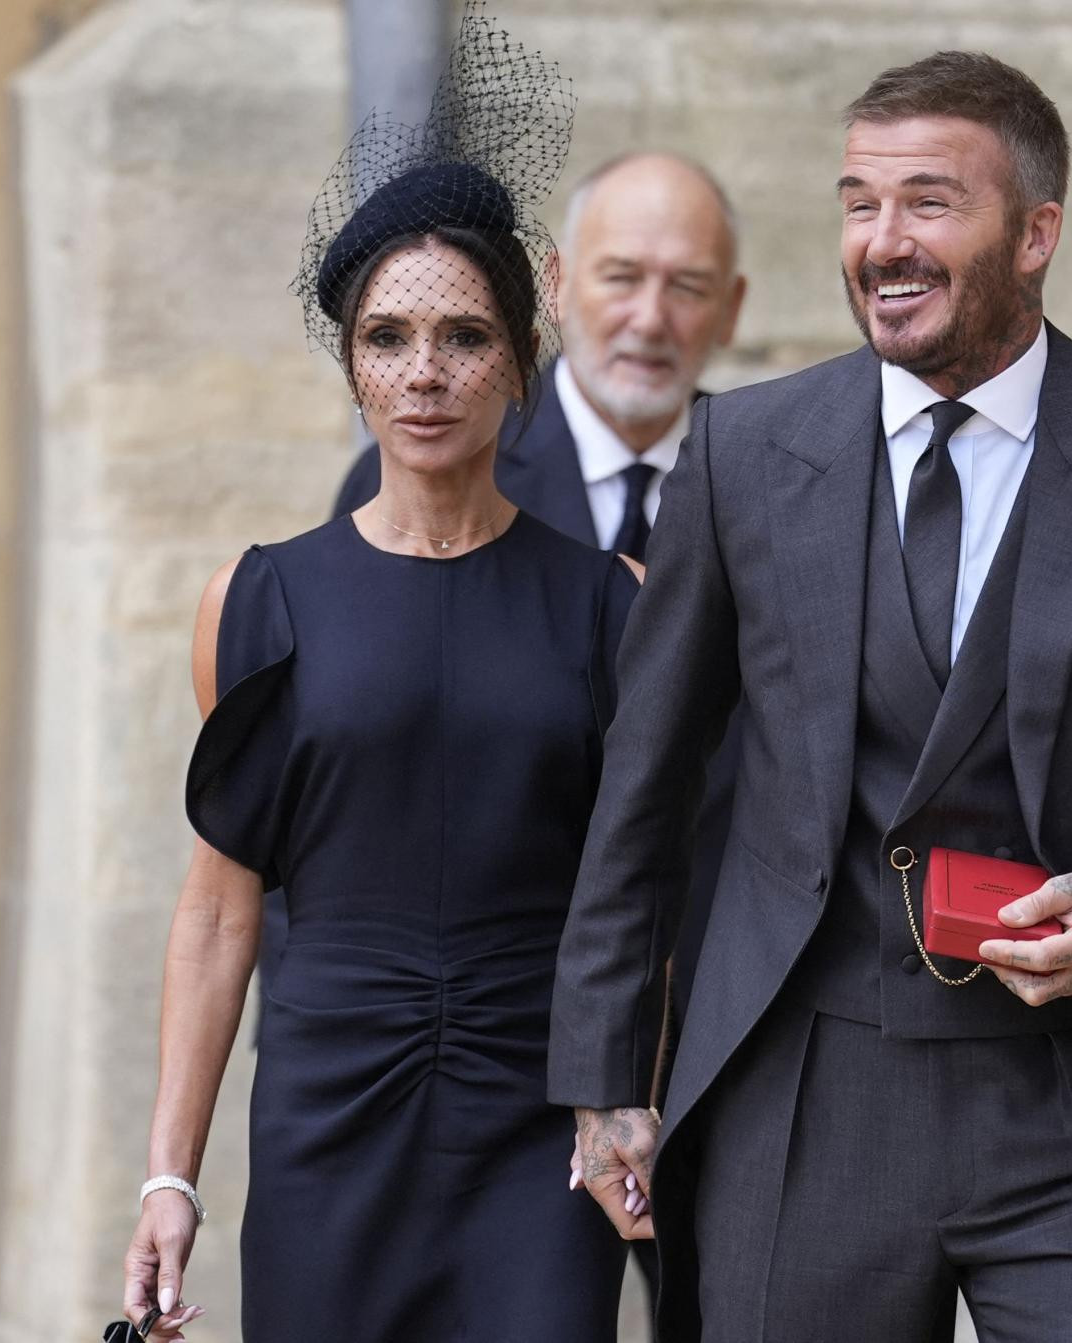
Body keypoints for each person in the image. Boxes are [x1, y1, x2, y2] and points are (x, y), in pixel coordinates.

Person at [550, 50, 1072, 1343]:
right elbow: (643, 784)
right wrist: (607, 1077)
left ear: (1036, 234)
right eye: (859, 202)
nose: (883, 241)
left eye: (929, 202)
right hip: (804, 1086)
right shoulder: (744, 454)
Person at [119, 14, 634, 1340]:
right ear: (349, 361)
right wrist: (171, 1175)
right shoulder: (257, 599)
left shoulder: (611, 604)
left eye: (464, 335)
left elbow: (646, 888)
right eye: (388, 336)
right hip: (327, 1116)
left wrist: (625, 1087)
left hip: (542, 1121)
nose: (425, 374)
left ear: (521, 354)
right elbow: (218, 913)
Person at [321, 148, 745, 1043]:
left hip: (710, 1020)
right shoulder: (423, 462)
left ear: (732, 308)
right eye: (620, 276)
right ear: (555, 286)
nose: (649, 318)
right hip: (467, 1026)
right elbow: (338, 769)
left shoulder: (772, 488)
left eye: (687, 286)